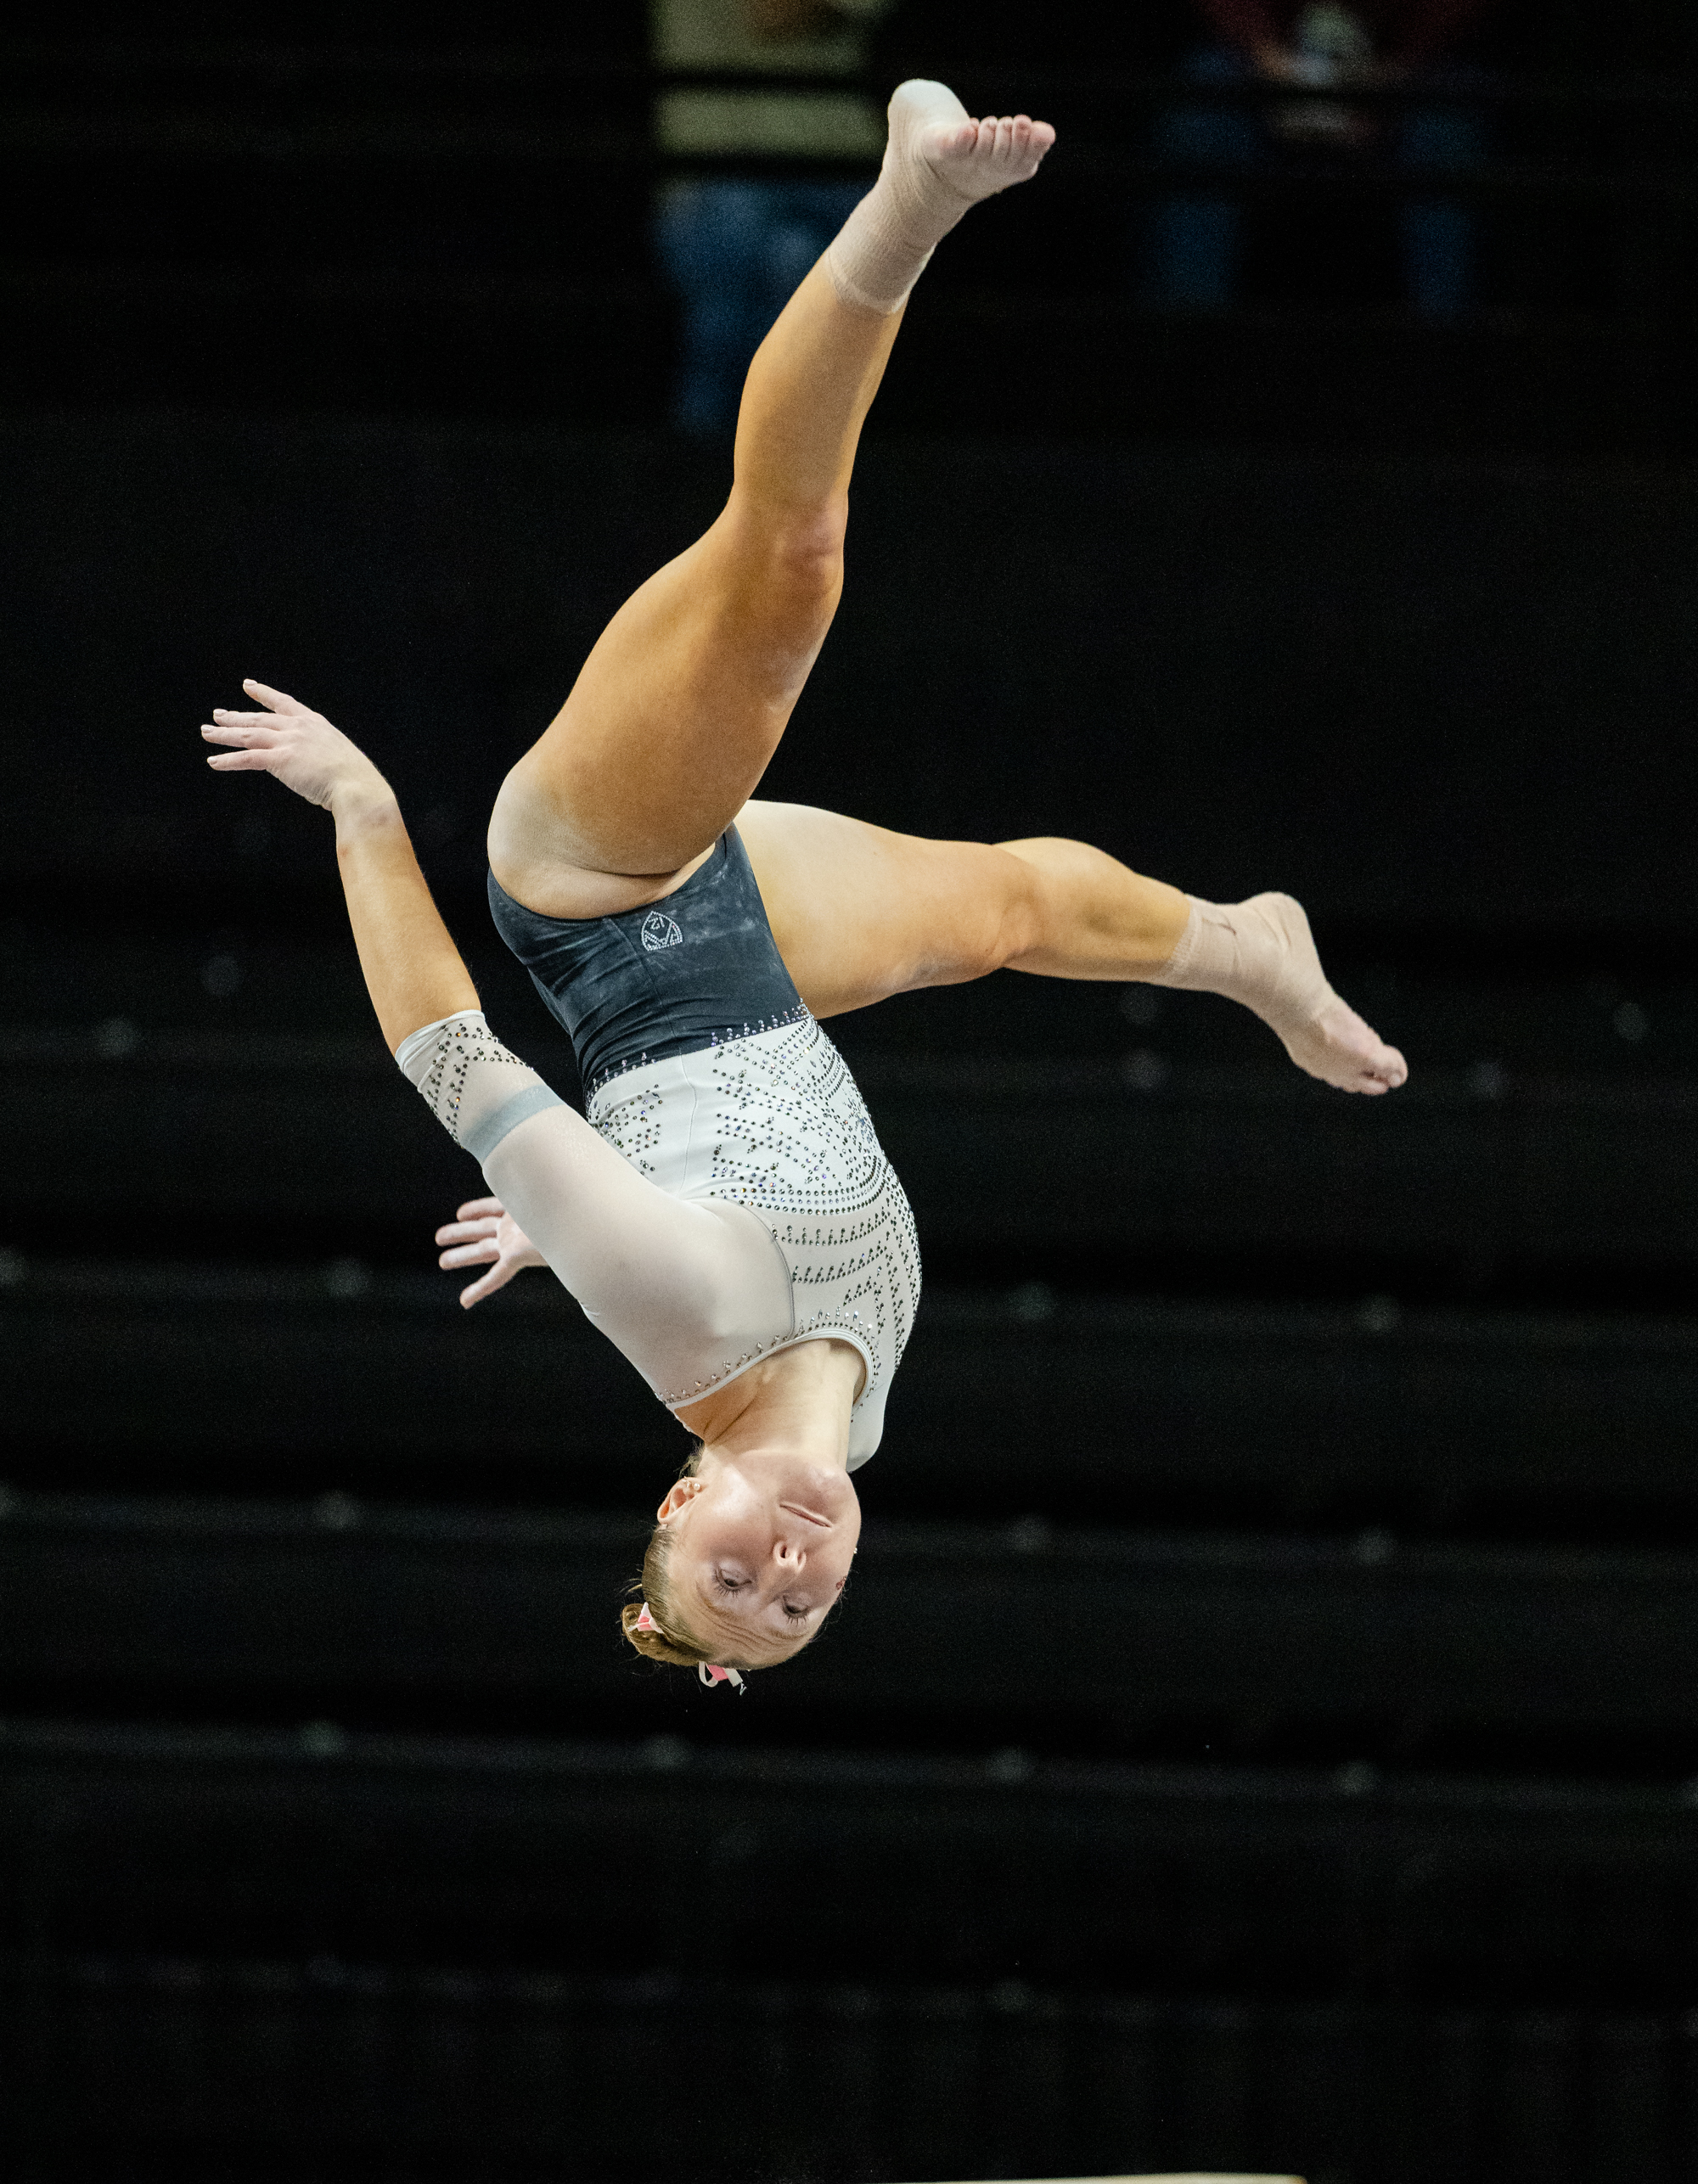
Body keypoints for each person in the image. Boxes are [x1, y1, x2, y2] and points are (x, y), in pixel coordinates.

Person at [201, 78, 1407, 1687]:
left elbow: (451, 1058)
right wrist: (572, 1228)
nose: (783, 1563)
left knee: (788, 566)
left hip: (602, 889)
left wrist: (361, 810)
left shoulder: (686, 1329)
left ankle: (907, 198)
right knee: (1008, 919)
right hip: (751, 962)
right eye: (794, 1608)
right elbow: (703, 1206)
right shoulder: (865, 1416)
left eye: (728, 1570)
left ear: (681, 1488)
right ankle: (1243, 947)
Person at [1147, 1, 1498, 317]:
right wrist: (1264, 54)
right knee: (1203, 107)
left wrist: (1398, 72)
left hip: (1406, 67)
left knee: (1445, 125)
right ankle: (1183, 338)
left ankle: (1448, 346)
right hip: (1263, 61)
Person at [652, 0, 897, 435]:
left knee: (797, 268)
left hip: (832, 171)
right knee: (745, 249)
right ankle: (707, 461)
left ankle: (768, 460)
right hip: (711, 180)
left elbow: (777, 15)